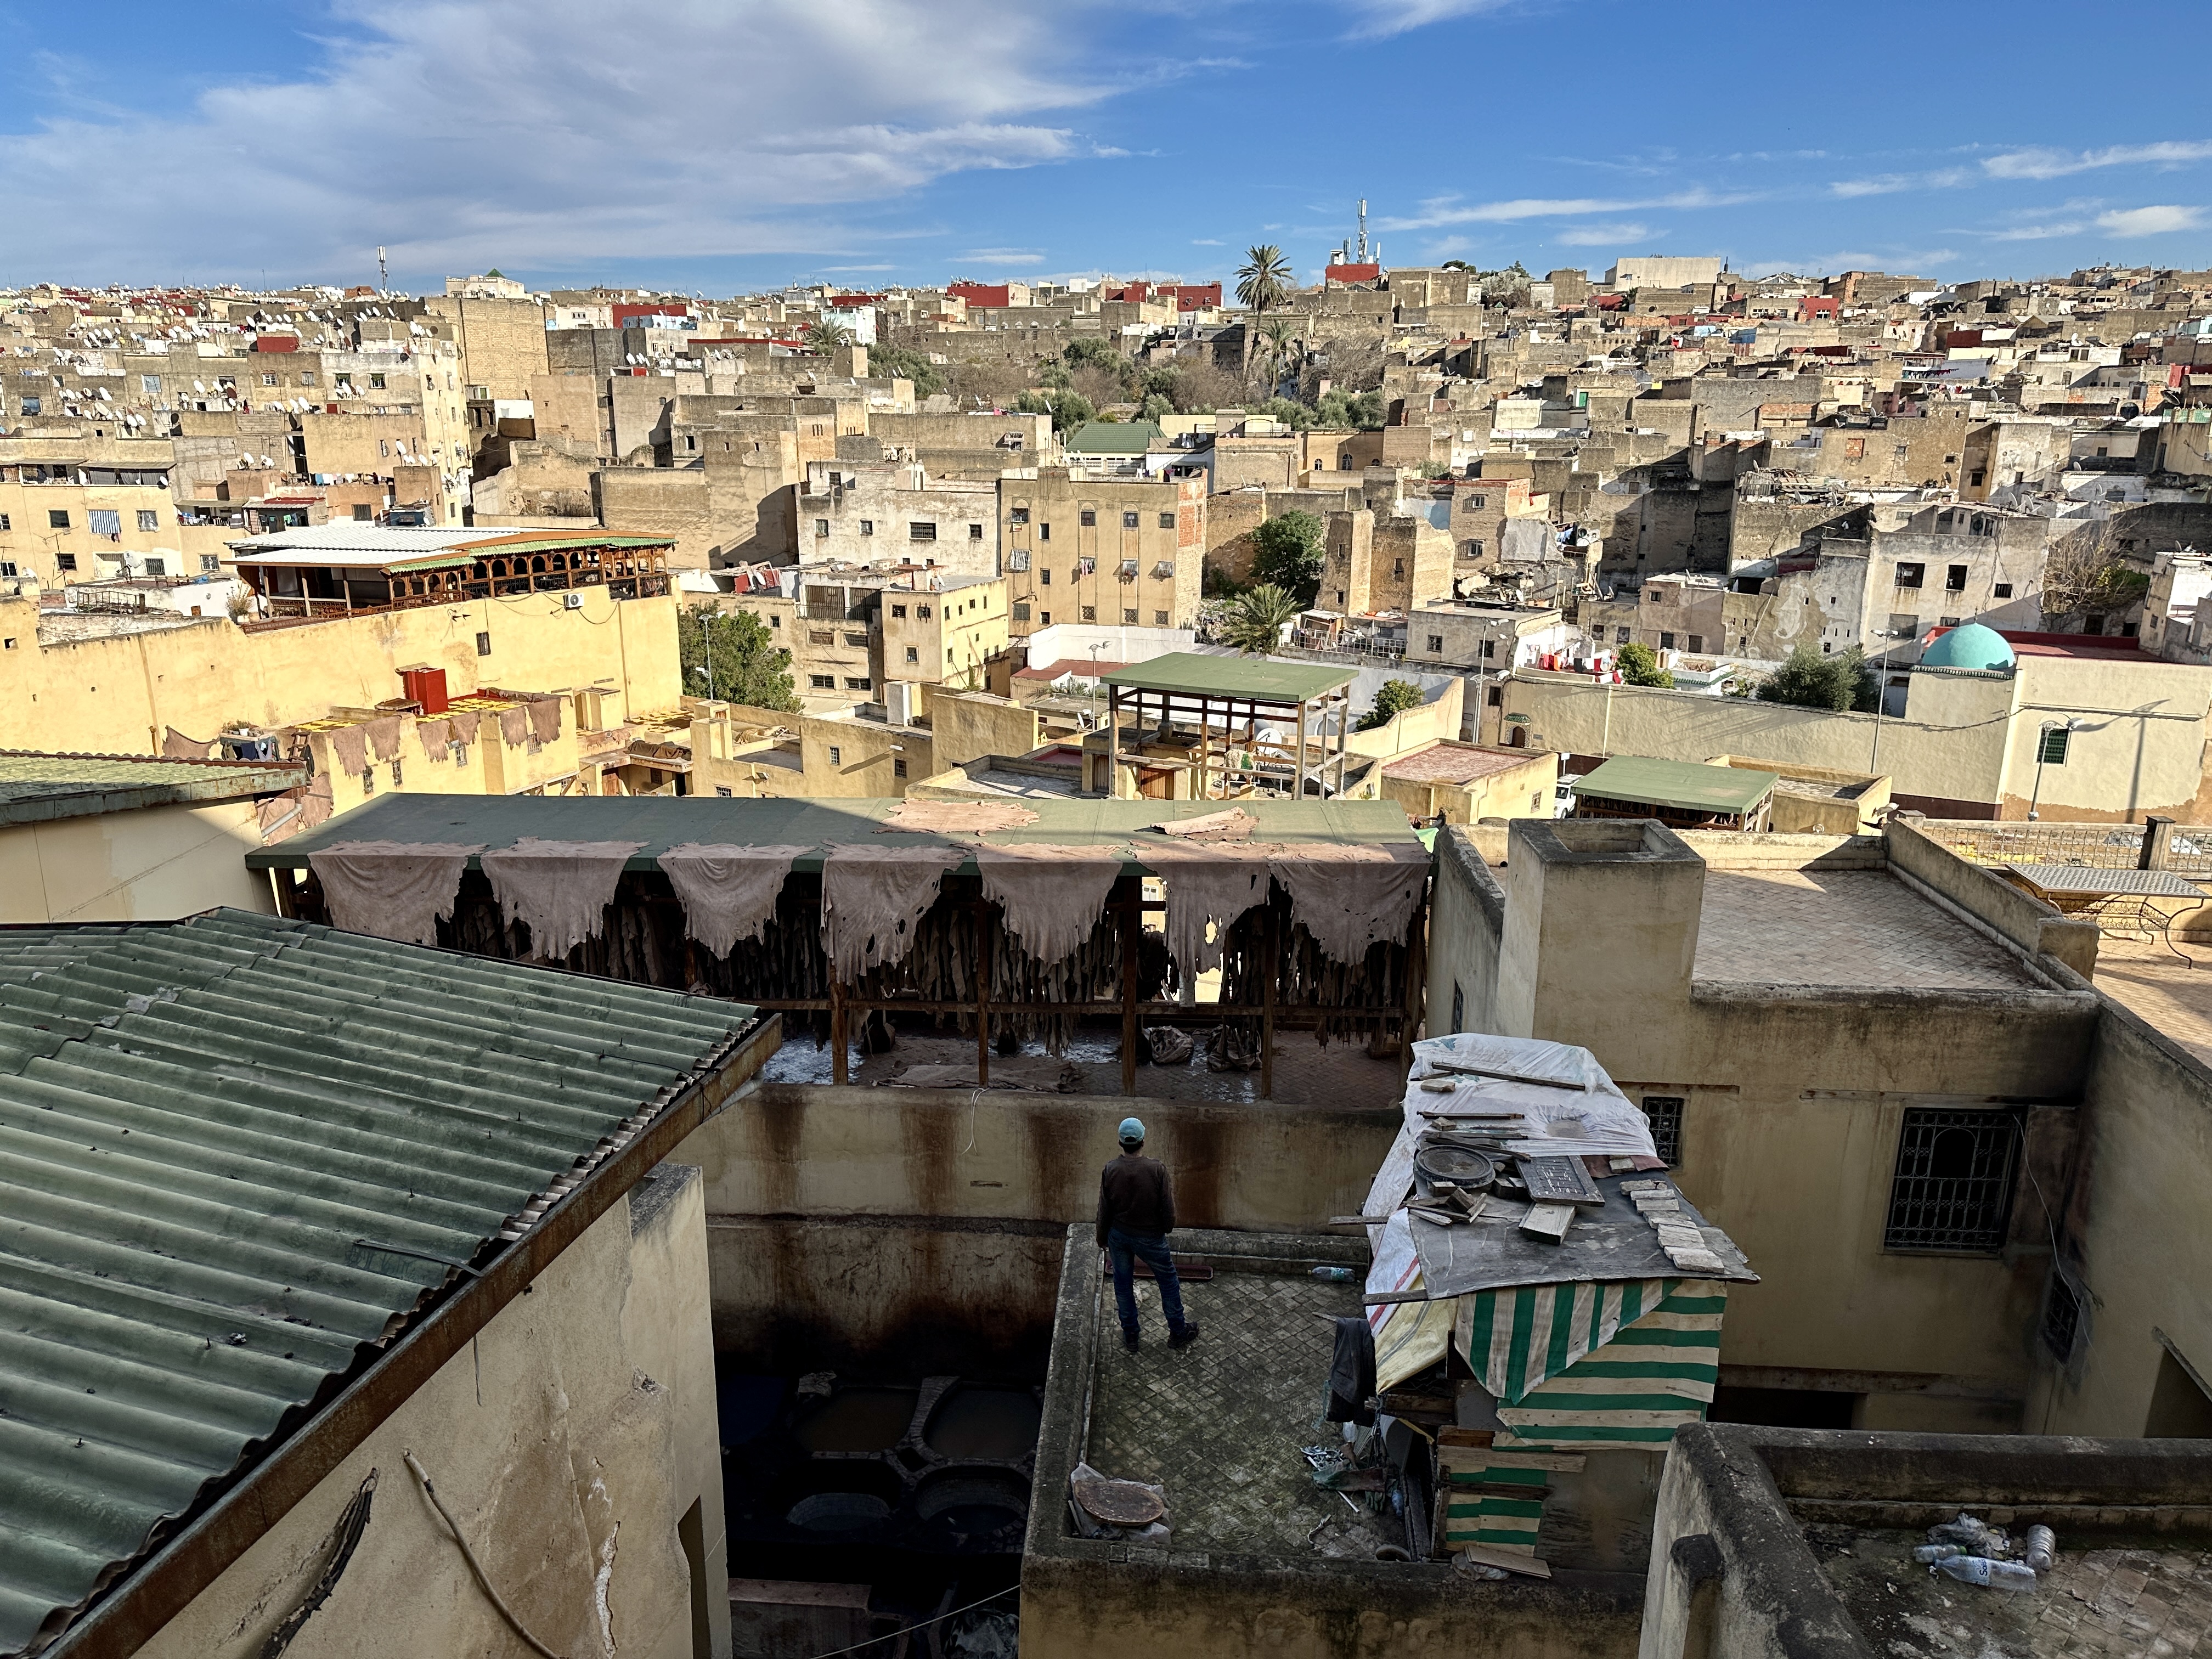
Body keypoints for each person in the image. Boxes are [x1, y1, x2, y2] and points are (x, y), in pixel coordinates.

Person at [1096, 1116, 1199, 1352]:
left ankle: (1131, 1337)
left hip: (1119, 1236)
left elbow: (1104, 1209)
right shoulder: (1156, 1170)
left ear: (1121, 1143)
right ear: (1143, 1141)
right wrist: (1166, 1228)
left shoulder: (1111, 1170)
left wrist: (1102, 1238)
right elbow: (1168, 1208)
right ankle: (1178, 1332)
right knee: (1168, 1281)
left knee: (1123, 1284)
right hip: (1151, 1237)